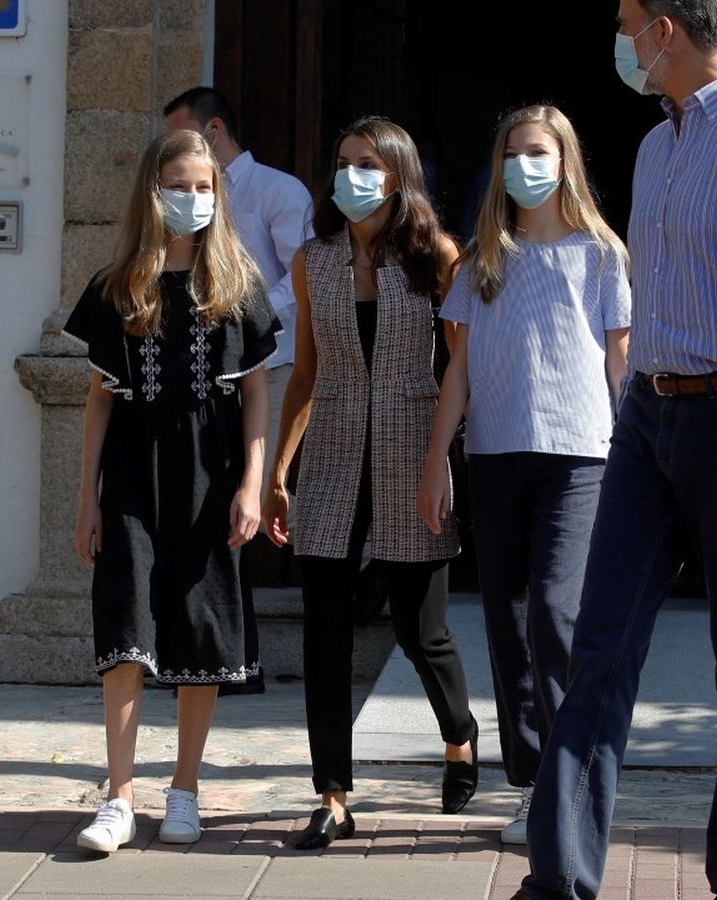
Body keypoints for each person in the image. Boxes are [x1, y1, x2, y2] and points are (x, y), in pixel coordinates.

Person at [519, 1, 717, 898]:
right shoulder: (657, 146)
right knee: (598, 653)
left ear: (666, 31)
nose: (619, 40)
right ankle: (557, 882)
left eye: (626, 21)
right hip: (650, 421)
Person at [417, 105, 632, 847]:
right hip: (495, 454)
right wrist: (437, 460)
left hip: (580, 456)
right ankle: (537, 784)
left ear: (566, 161)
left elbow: (621, 363)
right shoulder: (483, 258)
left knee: (554, 615)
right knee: (507, 625)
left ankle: (571, 784)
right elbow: (459, 369)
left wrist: (639, 460)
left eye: (538, 152)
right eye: (512, 154)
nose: (524, 166)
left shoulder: (601, 254)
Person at [263, 116, 478, 850]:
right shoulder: (313, 260)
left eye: (367, 164)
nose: (350, 176)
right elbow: (304, 373)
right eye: (343, 161)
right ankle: (332, 795)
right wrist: (279, 472)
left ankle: (460, 737)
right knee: (324, 633)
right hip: (331, 456)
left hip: (413, 451)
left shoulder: (436, 256)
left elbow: (461, 367)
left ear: (398, 176)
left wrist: (443, 460)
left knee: (421, 631)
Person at [65, 129, 280, 854]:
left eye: (203, 187)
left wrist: (252, 484)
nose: (192, 198)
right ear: (152, 192)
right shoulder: (117, 286)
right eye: (179, 185)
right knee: (126, 627)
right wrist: (86, 498)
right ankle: (119, 797)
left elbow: (256, 393)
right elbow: (99, 400)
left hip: (210, 474)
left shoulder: (236, 285)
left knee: (200, 625)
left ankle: (184, 790)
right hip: (131, 473)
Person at [164, 87, 314, 492]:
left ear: (213, 130)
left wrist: (247, 315)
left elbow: (304, 278)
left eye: (182, 136)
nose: (174, 149)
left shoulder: (278, 190)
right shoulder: (181, 196)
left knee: (262, 496)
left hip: (272, 368)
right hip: (206, 374)